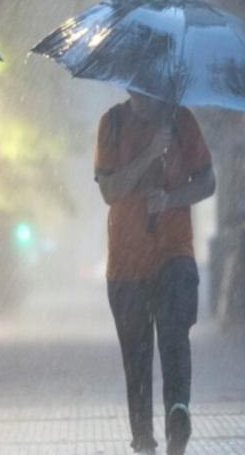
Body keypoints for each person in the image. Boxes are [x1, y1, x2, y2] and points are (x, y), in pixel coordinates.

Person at [95, 90, 216, 455]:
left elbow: (208, 181)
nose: (142, 90)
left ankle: (178, 415)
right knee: (137, 357)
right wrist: (150, 153)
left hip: (174, 254)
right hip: (126, 264)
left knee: (175, 338)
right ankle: (144, 441)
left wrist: (172, 199)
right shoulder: (112, 123)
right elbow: (109, 189)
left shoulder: (181, 121)